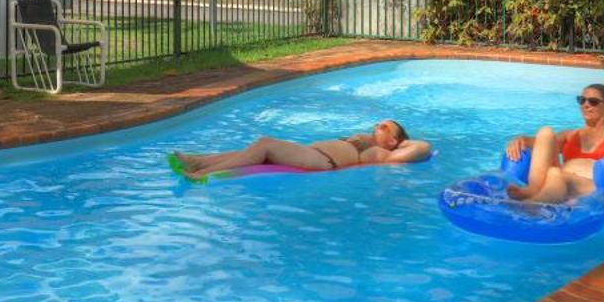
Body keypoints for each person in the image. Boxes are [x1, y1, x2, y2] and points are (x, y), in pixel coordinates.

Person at [502, 83, 604, 204]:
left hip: (592, 188)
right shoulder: (571, 135)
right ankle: (532, 190)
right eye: (581, 100)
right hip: (557, 179)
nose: (585, 105)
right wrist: (521, 139)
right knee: (545, 132)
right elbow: (542, 145)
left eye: (593, 102)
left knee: (557, 174)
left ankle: (532, 205)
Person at [171, 119, 431, 182]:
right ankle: (197, 161)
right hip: (310, 152)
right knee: (250, 149)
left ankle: (200, 175)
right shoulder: (366, 140)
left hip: (323, 161)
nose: (377, 125)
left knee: (264, 143)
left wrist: (402, 142)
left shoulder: (384, 154)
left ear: (394, 142)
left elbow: (423, 147)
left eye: (385, 127)